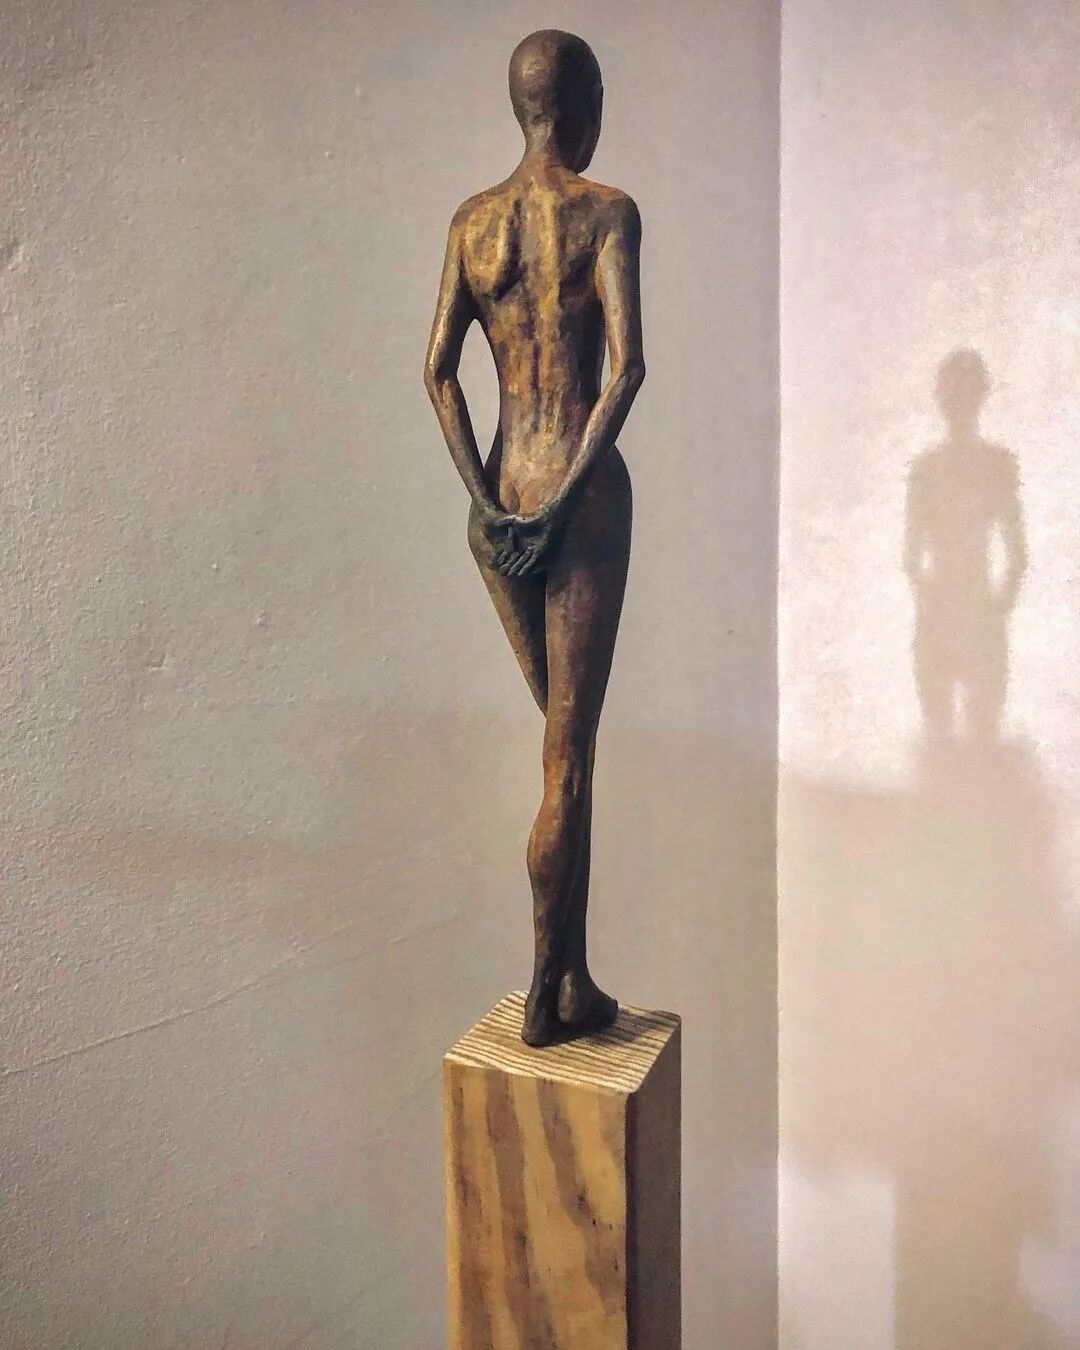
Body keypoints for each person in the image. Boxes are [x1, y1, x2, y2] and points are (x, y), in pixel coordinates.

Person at [424, 29, 646, 1045]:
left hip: (501, 495)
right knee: (568, 757)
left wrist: (489, 503)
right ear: (582, 103)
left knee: (563, 746)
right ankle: (546, 993)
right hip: (578, 497)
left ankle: (573, 977)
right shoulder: (606, 212)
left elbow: (437, 370)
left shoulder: (474, 222)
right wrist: (557, 510)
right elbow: (625, 370)